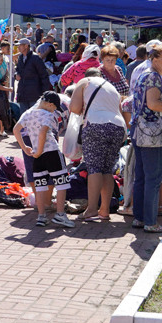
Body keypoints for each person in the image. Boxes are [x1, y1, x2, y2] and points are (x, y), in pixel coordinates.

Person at [129, 42, 162, 234]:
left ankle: (140, 218)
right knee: (153, 178)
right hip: (151, 133)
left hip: (138, 130)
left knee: (141, 177)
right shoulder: (154, 77)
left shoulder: (144, 74)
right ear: (154, 59)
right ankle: (150, 222)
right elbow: (154, 104)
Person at [69, 68, 126, 222]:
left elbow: (74, 108)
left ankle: (92, 209)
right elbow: (119, 110)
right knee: (107, 169)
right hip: (118, 127)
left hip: (96, 125)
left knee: (94, 168)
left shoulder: (84, 82)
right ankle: (104, 210)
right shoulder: (111, 88)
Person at [14, 91, 74, 228]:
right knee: (62, 184)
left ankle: (41, 216)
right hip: (51, 152)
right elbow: (43, 131)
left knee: (40, 185)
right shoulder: (48, 115)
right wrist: (40, 150)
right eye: (55, 108)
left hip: (37, 155)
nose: (54, 111)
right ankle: (60, 215)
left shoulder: (27, 113)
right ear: (50, 104)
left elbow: (16, 129)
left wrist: (25, 148)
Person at [15, 39, 51, 109]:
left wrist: (45, 93)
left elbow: (44, 75)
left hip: (34, 94)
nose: (18, 47)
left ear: (26, 46)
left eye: (20, 46)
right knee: (23, 115)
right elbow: (18, 70)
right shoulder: (20, 57)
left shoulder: (35, 58)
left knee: (34, 115)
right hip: (22, 94)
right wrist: (16, 74)